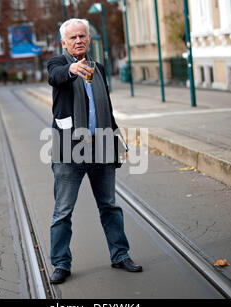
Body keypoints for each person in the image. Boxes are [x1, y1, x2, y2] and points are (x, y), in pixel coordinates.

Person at [46, 18, 142, 285]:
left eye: (82, 36)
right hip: (69, 149)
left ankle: (120, 254)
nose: (78, 41)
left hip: (100, 145)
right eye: (72, 38)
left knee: (110, 206)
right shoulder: (57, 64)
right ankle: (61, 263)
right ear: (63, 43)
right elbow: (55, 77)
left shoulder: (98, 68)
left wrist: (117, 144)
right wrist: (71, 69)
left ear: (88, 39)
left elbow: (106, 110)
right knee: (63, 212)